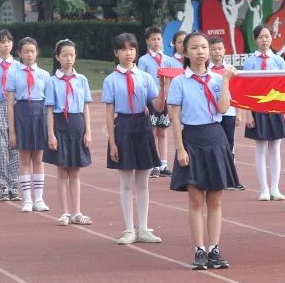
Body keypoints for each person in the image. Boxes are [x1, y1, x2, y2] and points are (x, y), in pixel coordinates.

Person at [165, 31, 240, 270]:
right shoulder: (179, 82)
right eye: (195, 47)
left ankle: (214, 248)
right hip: (192, 139)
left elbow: (223, 107)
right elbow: (174, 117)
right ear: (186, 52)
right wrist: (180, 149)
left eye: (204, 47)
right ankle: (199, 249)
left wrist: (226, 80)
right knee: (196, 199)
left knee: (215, 200)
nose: (201, 52)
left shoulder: (218, 80)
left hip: (215, 137)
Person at [103, 32, 163, 245]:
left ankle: (144, 227)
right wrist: (112, 142)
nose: (128, 53)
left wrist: (163, 85)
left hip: (143, 127)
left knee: (143, 182)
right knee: (126, 182)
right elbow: (109, 113)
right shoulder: (110, 80)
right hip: (123, 128)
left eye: (131, 49)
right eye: (123, 49)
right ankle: (129, 228)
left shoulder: (146, 78)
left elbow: (158, 106)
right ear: (116, 53)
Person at [44, 39, 94, 226]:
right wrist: (51, 134)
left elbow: (85, 107)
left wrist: (88, 131)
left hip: (77, 124)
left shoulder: (82, 80)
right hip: (59, 125)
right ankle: (64, 212)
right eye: (64, 55)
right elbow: (49, 109)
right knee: (62, 171)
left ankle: (77, 212)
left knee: (75, 172)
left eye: (71, 55)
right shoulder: (51, 81)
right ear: (57, 57)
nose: (68, 59)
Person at [239, 24, 285, 201]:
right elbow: (245, 90)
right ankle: (263, 188)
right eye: (261, 37)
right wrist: (248, 113)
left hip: (276, 106)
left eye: (267, 36)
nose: (264, 40)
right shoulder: (249, 62)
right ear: (255, 40)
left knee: (275, 147)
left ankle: (275, 188)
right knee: (260, 147)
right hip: (257, 107)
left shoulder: (278, 61)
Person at [6, 36, 51, 213]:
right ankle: (26, 199)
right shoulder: (13, 74)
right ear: (19, 54)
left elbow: (49, 103)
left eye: (32, 51)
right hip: (22, 113)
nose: (29, 55)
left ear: (37, 53)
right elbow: (10, 103)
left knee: (38, 159)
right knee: (24, 158)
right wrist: (12, 131)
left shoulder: (45, 75)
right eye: (26, 52)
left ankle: (39, 198)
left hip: (40, 114)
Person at [137, 26, 182, 178]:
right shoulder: (143, 60)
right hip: (151, 99)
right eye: (153, 39)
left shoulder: (168, 60)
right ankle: (153, 163)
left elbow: (172, 80)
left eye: (158, 39)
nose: (156, 42)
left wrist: (171, 99)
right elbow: (140, 81)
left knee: (163, 131)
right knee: (153, 131)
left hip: (166, 99)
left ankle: (163, 164)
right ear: (147, 41)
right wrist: (143, 103)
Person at [0, 30, 21, 201]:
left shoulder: (18, 66)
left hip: (14, 106)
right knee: (0, 147)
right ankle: (3, 186)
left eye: (9, 41)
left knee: (14, 146)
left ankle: (14, 185)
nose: (6, 44)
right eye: (2, 41)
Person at [208, 36, 244, 190]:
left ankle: (230, 178)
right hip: (212, 114)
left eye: (219, 49)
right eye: (213, 49)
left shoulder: (230, 70)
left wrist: (239, 113)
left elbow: (237, 93)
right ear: (209, 51)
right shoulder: (205, 70)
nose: (216, 52)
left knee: (229, 145)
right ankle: (215, 177)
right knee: (214, 145)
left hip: (229, 112)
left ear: (224, 51)